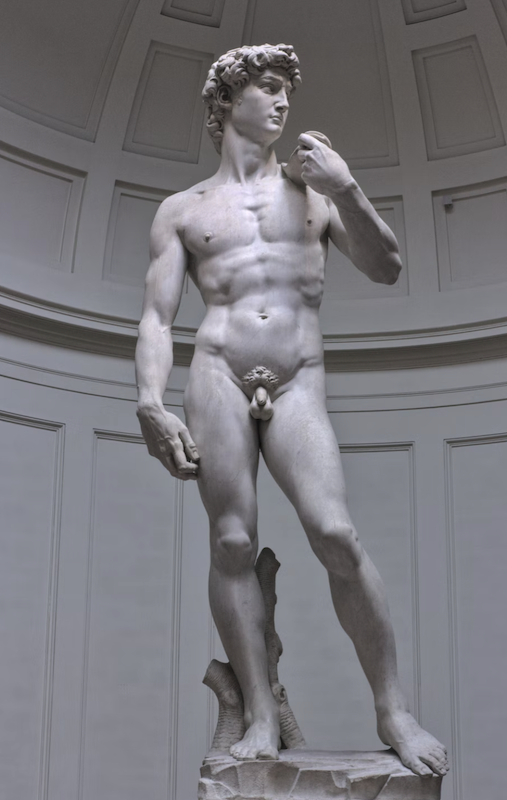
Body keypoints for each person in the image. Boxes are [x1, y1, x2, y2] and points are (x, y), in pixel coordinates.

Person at [135, 44, 448, 777]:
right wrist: (149, 401)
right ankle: (260, 712)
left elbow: (386, 266)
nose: (282, 102)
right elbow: (157, 317)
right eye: (269, 88)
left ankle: (392, 709)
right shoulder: (183, 210)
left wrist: (347, 188)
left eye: (286, 91)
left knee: (335, 533)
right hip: (217, 371)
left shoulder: (315, 191)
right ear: (225, 101)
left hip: (298, 378)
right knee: (231, 543)